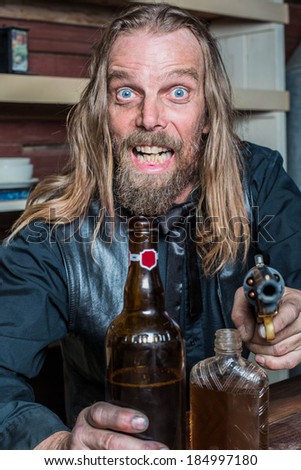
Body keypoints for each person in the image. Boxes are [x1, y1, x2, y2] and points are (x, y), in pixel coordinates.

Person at [1, 3, 301, 450]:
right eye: (126, 93)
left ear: (207, 115)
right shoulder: (55, 227)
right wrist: (56, 447)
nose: (149, 119)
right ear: (101, 111)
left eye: (177, 92)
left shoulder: (258, 179)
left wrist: (294, 313)